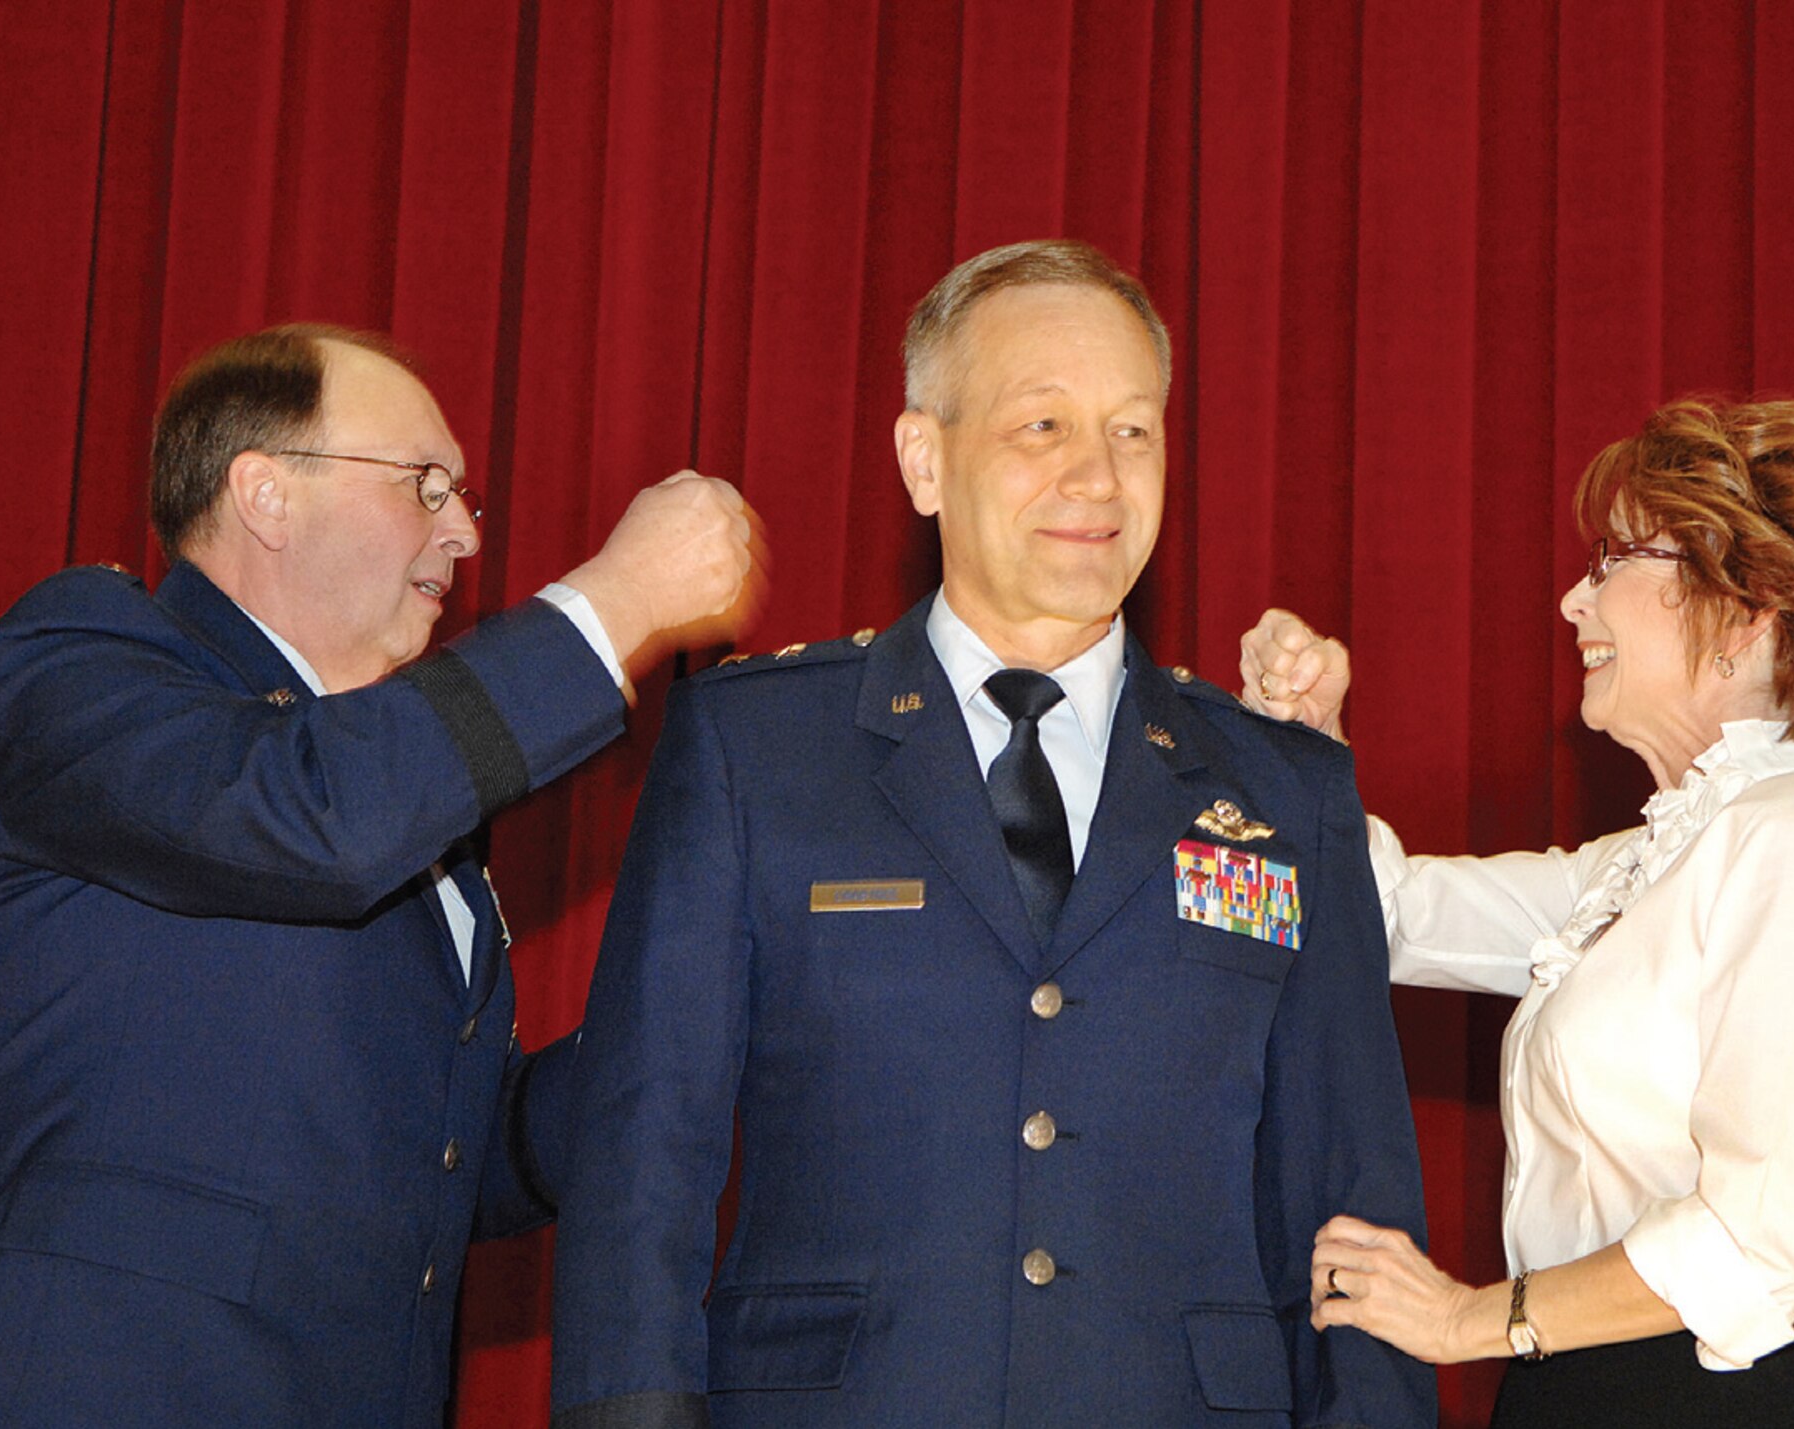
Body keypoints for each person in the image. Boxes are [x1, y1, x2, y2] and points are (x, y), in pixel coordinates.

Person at [549, 240, 1434, 1428]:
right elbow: (643, 1152)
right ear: (924, 458)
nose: (1097, 478)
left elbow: (1349, 1200)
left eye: (1132, 432)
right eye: (1041, 428)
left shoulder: (1284, 789)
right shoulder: (754, 748)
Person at [0, 324, 760, 1429]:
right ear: (265, 494)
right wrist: (615, 599)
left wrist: (691, 1041)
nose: (466, 531)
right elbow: (305, 813)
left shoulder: (405, 802)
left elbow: (457, 1156)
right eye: (426, 484)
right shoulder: (77, 656)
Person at [1240, 396, 1794, 1427]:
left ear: (1743, 612)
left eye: (1615, 560)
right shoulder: (1646, 863)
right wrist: (1306, 742)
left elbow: (1762, 1246)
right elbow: (1376, 917)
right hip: (1570, 1389)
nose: (1573, 600)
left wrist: (1467, 1320)